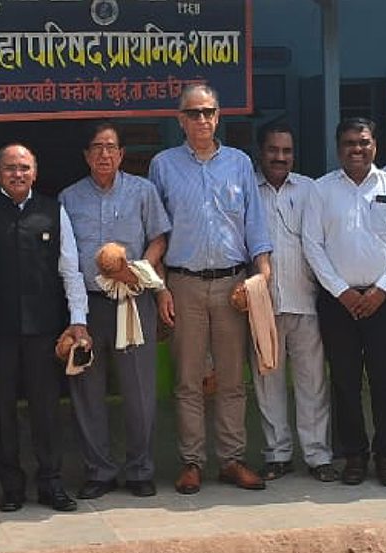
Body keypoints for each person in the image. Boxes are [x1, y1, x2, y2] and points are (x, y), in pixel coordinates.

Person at [148, 84, 275, 494]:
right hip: (182, 284)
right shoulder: (163, 165)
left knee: (232, 379)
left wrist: (263, 277)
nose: (201, 119)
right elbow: (157, 233)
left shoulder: (239, 163)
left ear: (218, 116)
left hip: (232, 286)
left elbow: (255, 226)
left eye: (208, 112)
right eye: (193, 113)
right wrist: (161, 290)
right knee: (188, 379)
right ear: (180, 120)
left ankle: (232, 460)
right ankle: (192, 462)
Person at [302, 117, 386, 487]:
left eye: (363, 142)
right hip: (338, 303)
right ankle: (354, 455)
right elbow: (312, 245)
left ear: (375, 146)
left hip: (383, 301)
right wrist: (342, 291)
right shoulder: (321, 190)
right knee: (345, 382)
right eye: (350, 143)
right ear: (339, 148)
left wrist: (381, 290)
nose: (357, 149)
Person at [60, 120, 170, 500]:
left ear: (122, 154)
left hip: (133, 302)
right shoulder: (69, 198)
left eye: (111, 147)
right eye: (97, 147)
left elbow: (159, 238)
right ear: (86, 155)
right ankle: (99, 471)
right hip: (88, 305)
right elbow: (65, 255)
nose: (104, 154)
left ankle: (140, 469)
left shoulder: (143, 191)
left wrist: (139, 271)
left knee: (139, 391)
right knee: (87, 391)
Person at [0, 144, 82, 512]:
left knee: (46, 409)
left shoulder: (53, 210)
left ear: (35, 172)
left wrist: (78, 320)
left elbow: (70, 270)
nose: (17, 174)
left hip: (45, 329)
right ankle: (11, 486)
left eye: (24, 168)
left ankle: (51, 482)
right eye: (10, 168)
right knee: (1, 409)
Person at [251, 123, 335, 483]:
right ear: (261, 152)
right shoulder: (247, 190)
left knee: (312, 382)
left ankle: (317, 455)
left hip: (306, 300)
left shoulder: (310, 190)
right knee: (267, 383)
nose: (280, 157)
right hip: (262, 305)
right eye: (273, 150)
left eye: (286, 151)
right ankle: (277, 454)